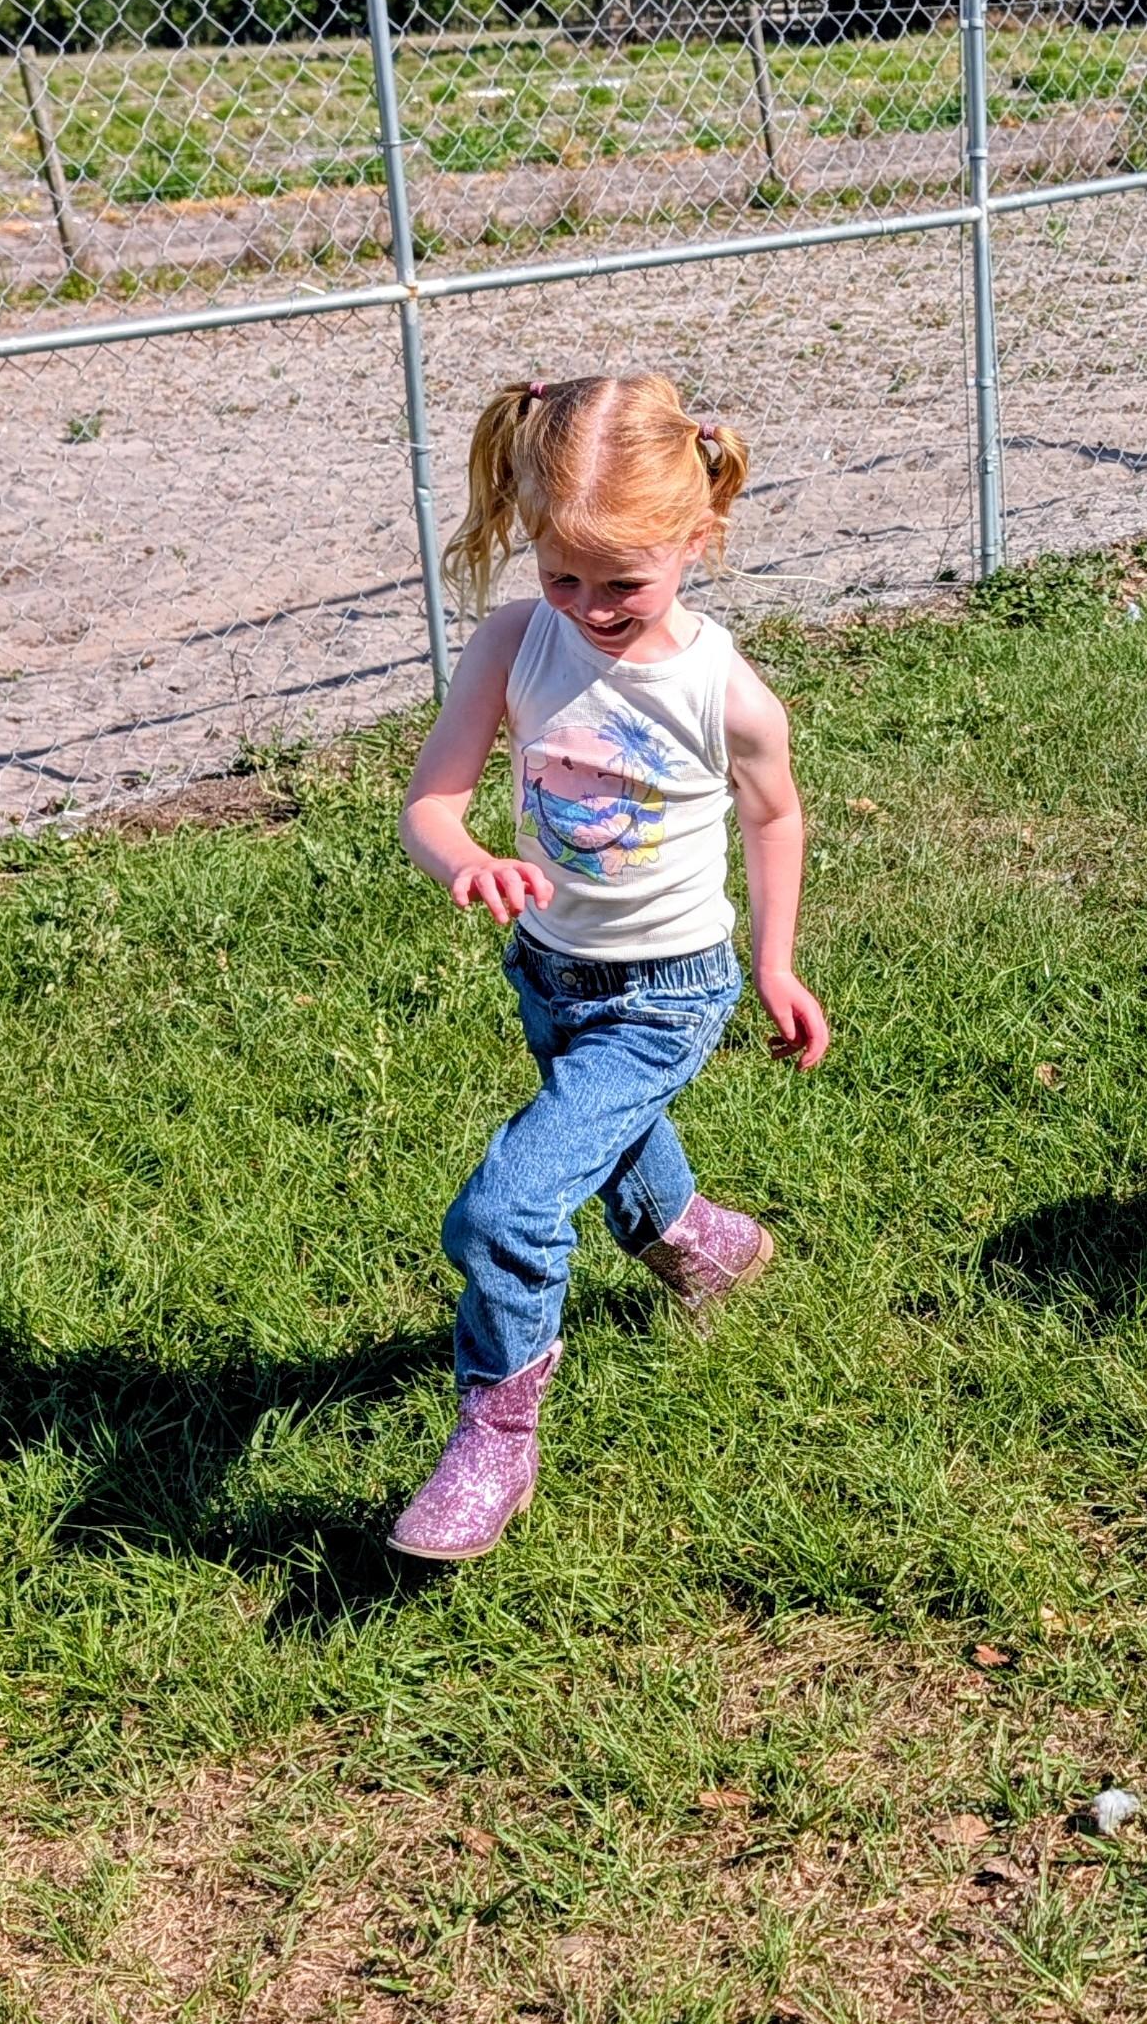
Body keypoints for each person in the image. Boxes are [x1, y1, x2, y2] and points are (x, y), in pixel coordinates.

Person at [386, 372, 828, 1561]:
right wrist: (467, 857)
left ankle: (495, 1434)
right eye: (559, 572)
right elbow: (429, 801)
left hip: (667, 988)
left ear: (698, 535)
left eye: (620, 580)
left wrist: (777, 965)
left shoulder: (721, 690)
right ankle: (703, 1244)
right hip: (549, 969)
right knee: (607, 1138)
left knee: (508, 1208)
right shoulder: (513, 642)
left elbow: (772, 815)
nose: (587, 605)